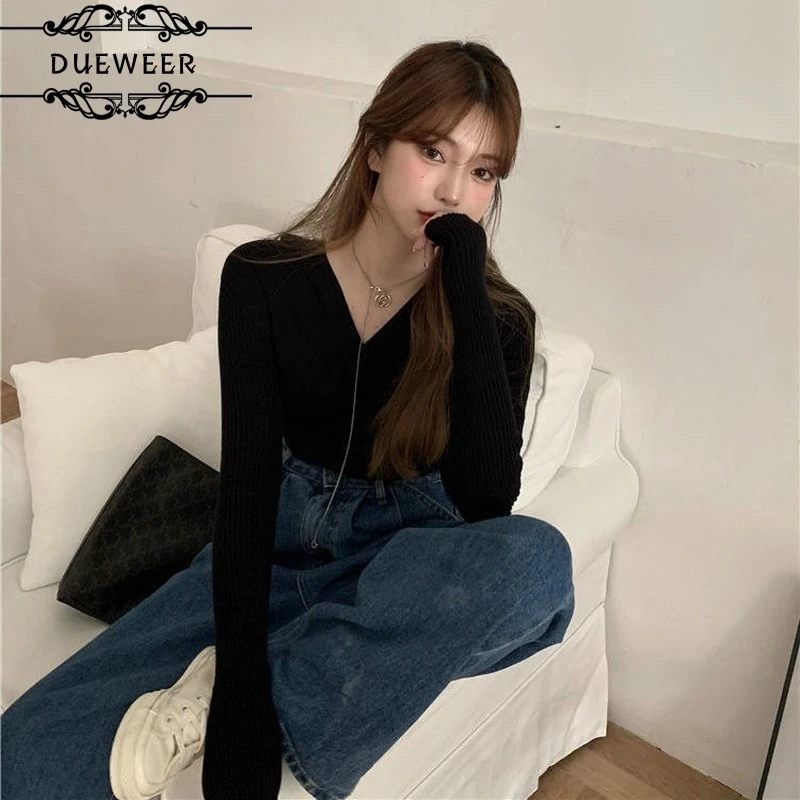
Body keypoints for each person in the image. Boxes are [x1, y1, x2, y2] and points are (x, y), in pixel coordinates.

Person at [0, 39, 575, 800]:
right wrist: (238, 689)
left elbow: (487, 499)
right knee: (21, 756)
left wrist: (464, 289)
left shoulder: (496, 321)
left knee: (536, 565)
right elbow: (246, 488)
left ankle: (273, 675)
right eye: (433, 151)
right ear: (376, 148)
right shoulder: (263, 279)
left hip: (404, 568)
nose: (451, 191)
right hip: (277, 544)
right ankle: (248, 675)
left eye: (482, 172)